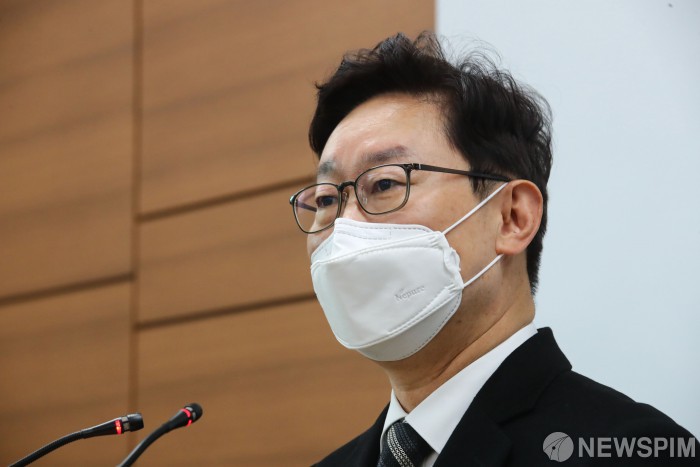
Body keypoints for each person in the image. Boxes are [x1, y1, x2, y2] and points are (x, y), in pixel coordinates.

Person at [289, 32, 697, 466]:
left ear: (512, 217)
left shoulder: (632, 449)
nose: (345, 227)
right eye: (327, 199)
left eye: (385, 183)